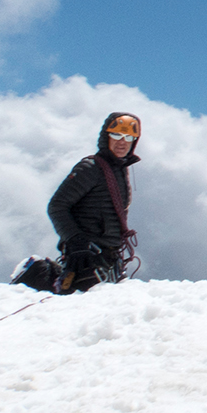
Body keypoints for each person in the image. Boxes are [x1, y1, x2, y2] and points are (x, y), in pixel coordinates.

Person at [45, 112, 141, 293]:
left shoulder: (119, 170)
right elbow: (57, 206)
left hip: (108, 258)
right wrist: (76, 241)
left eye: (128, 137)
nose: (122, 142)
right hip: (86, 258)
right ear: (106, 137)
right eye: (116, 135)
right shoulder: (90, 168)